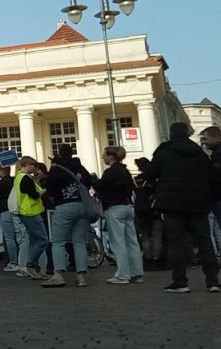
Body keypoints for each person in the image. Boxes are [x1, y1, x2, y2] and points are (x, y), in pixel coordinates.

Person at [142, 122, 220, 293]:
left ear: (171, 134)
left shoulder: (164, 152)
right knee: (205, 241)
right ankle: (213, 281)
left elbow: (148, 174)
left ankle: (180, 282)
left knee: (176, 242)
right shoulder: (199, 154)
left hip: (172, 204)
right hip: (199, 204)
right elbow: (210, 176)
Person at [42, 144, 93, 288]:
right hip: (82, 205)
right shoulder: (79, 167)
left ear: (59, 153)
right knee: (79, 242)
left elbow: (50, 187)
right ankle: (81, 276)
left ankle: (58, 274)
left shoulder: (57, 168)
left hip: (64, 205)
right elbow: (89, 182)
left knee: (58, 241)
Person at [94, 146, 143, 285]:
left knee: (118, 242)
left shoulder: (110, 172)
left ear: (110, 157)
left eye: (104, 154)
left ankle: (123, 274)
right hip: (128, 206)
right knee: (132, 241)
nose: (103, 157)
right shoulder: (125, 171)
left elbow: (100, 186)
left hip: (114, 207)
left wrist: (94, 181)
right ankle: (137, 272)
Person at [13, 157, 50, 280]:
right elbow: (34, 195)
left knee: (34, 240)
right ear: (28, 165)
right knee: (43, 240)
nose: (36, 168)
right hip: (31, 212)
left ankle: (32, 267)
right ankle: (30, 264)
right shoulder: (26, 178)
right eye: (35, 165)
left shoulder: (18, 177)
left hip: (25, 212)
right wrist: (44, 190)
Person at [0, 165, 21, 272]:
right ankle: (20, 260)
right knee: (19, 236)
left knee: (9, 238)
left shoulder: (0, 184)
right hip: (17, 209)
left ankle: (13, 262)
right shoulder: (15, 181)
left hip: (5, 210)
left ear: (2, 171)